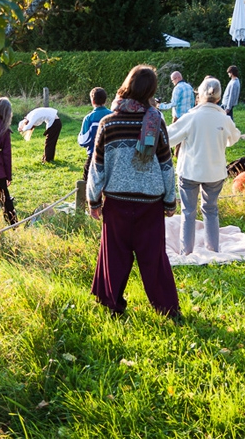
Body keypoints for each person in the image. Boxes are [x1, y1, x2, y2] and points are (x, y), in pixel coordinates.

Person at [87, 65, 179, 318]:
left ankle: (110, 305)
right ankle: (168, 310)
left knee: (114, 256)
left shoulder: (108, 122)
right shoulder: (156, 121)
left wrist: (93, 201)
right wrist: (170, 201)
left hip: (116, 202)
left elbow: (97, 167)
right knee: (154, 259)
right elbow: (166, 165)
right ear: (150, 91)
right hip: (151, 203)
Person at [167, 77, 241, 255]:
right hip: (215, 171)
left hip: (190, 171)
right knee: (211, 210)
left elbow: (169, 138)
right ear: (218, 97)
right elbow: (234, 138)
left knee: (188, 212)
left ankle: (187, 251)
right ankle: (213, 249)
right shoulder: (223, 118)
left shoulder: (191, 117)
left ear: (199, 95)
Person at [77, 87, 111, 184]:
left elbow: (84, 141)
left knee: (88, 182)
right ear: (105, 100)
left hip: (94, 155)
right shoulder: (113, 115)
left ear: (92, 101)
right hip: (111, 155)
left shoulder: (89, 118)